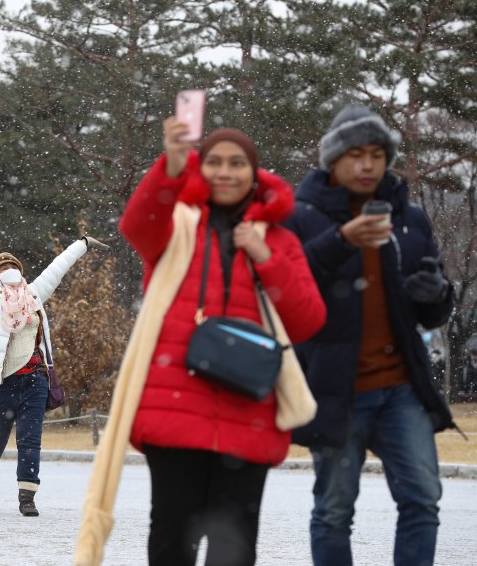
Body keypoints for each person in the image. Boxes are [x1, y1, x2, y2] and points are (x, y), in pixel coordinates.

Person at [118, 121, 326, 565]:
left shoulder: (280, 240)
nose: (225, 172)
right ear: (200, 167)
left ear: (254, 173)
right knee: (172, 538)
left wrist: (265, 258)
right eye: (213, 162)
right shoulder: (176, 227)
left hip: (249, 410)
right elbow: (137, 226)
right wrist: (170, 167)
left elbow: (308, 319)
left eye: (237, 163)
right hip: (175, 405)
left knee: (234, 546)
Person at [285, 104, 456, 566]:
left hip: (401, 390)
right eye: (356, 154)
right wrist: (342, 240)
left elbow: (433, 312)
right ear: (334, 160)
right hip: (334, 390)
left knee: (422, 501)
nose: (367, 165)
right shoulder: (299, 217)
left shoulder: (411, 218)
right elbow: (285, 291)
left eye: (377, 154)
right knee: (334, 511)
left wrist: (437, 294)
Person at [0, 227, 108, 517]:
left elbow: (58, 269)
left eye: (12, 266)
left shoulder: (34, 295)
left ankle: (27, 497)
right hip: (2, 382)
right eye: (2, 267)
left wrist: (82, 244)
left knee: (30, 440)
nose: (8, 271)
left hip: (35, 380)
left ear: (20, 272)